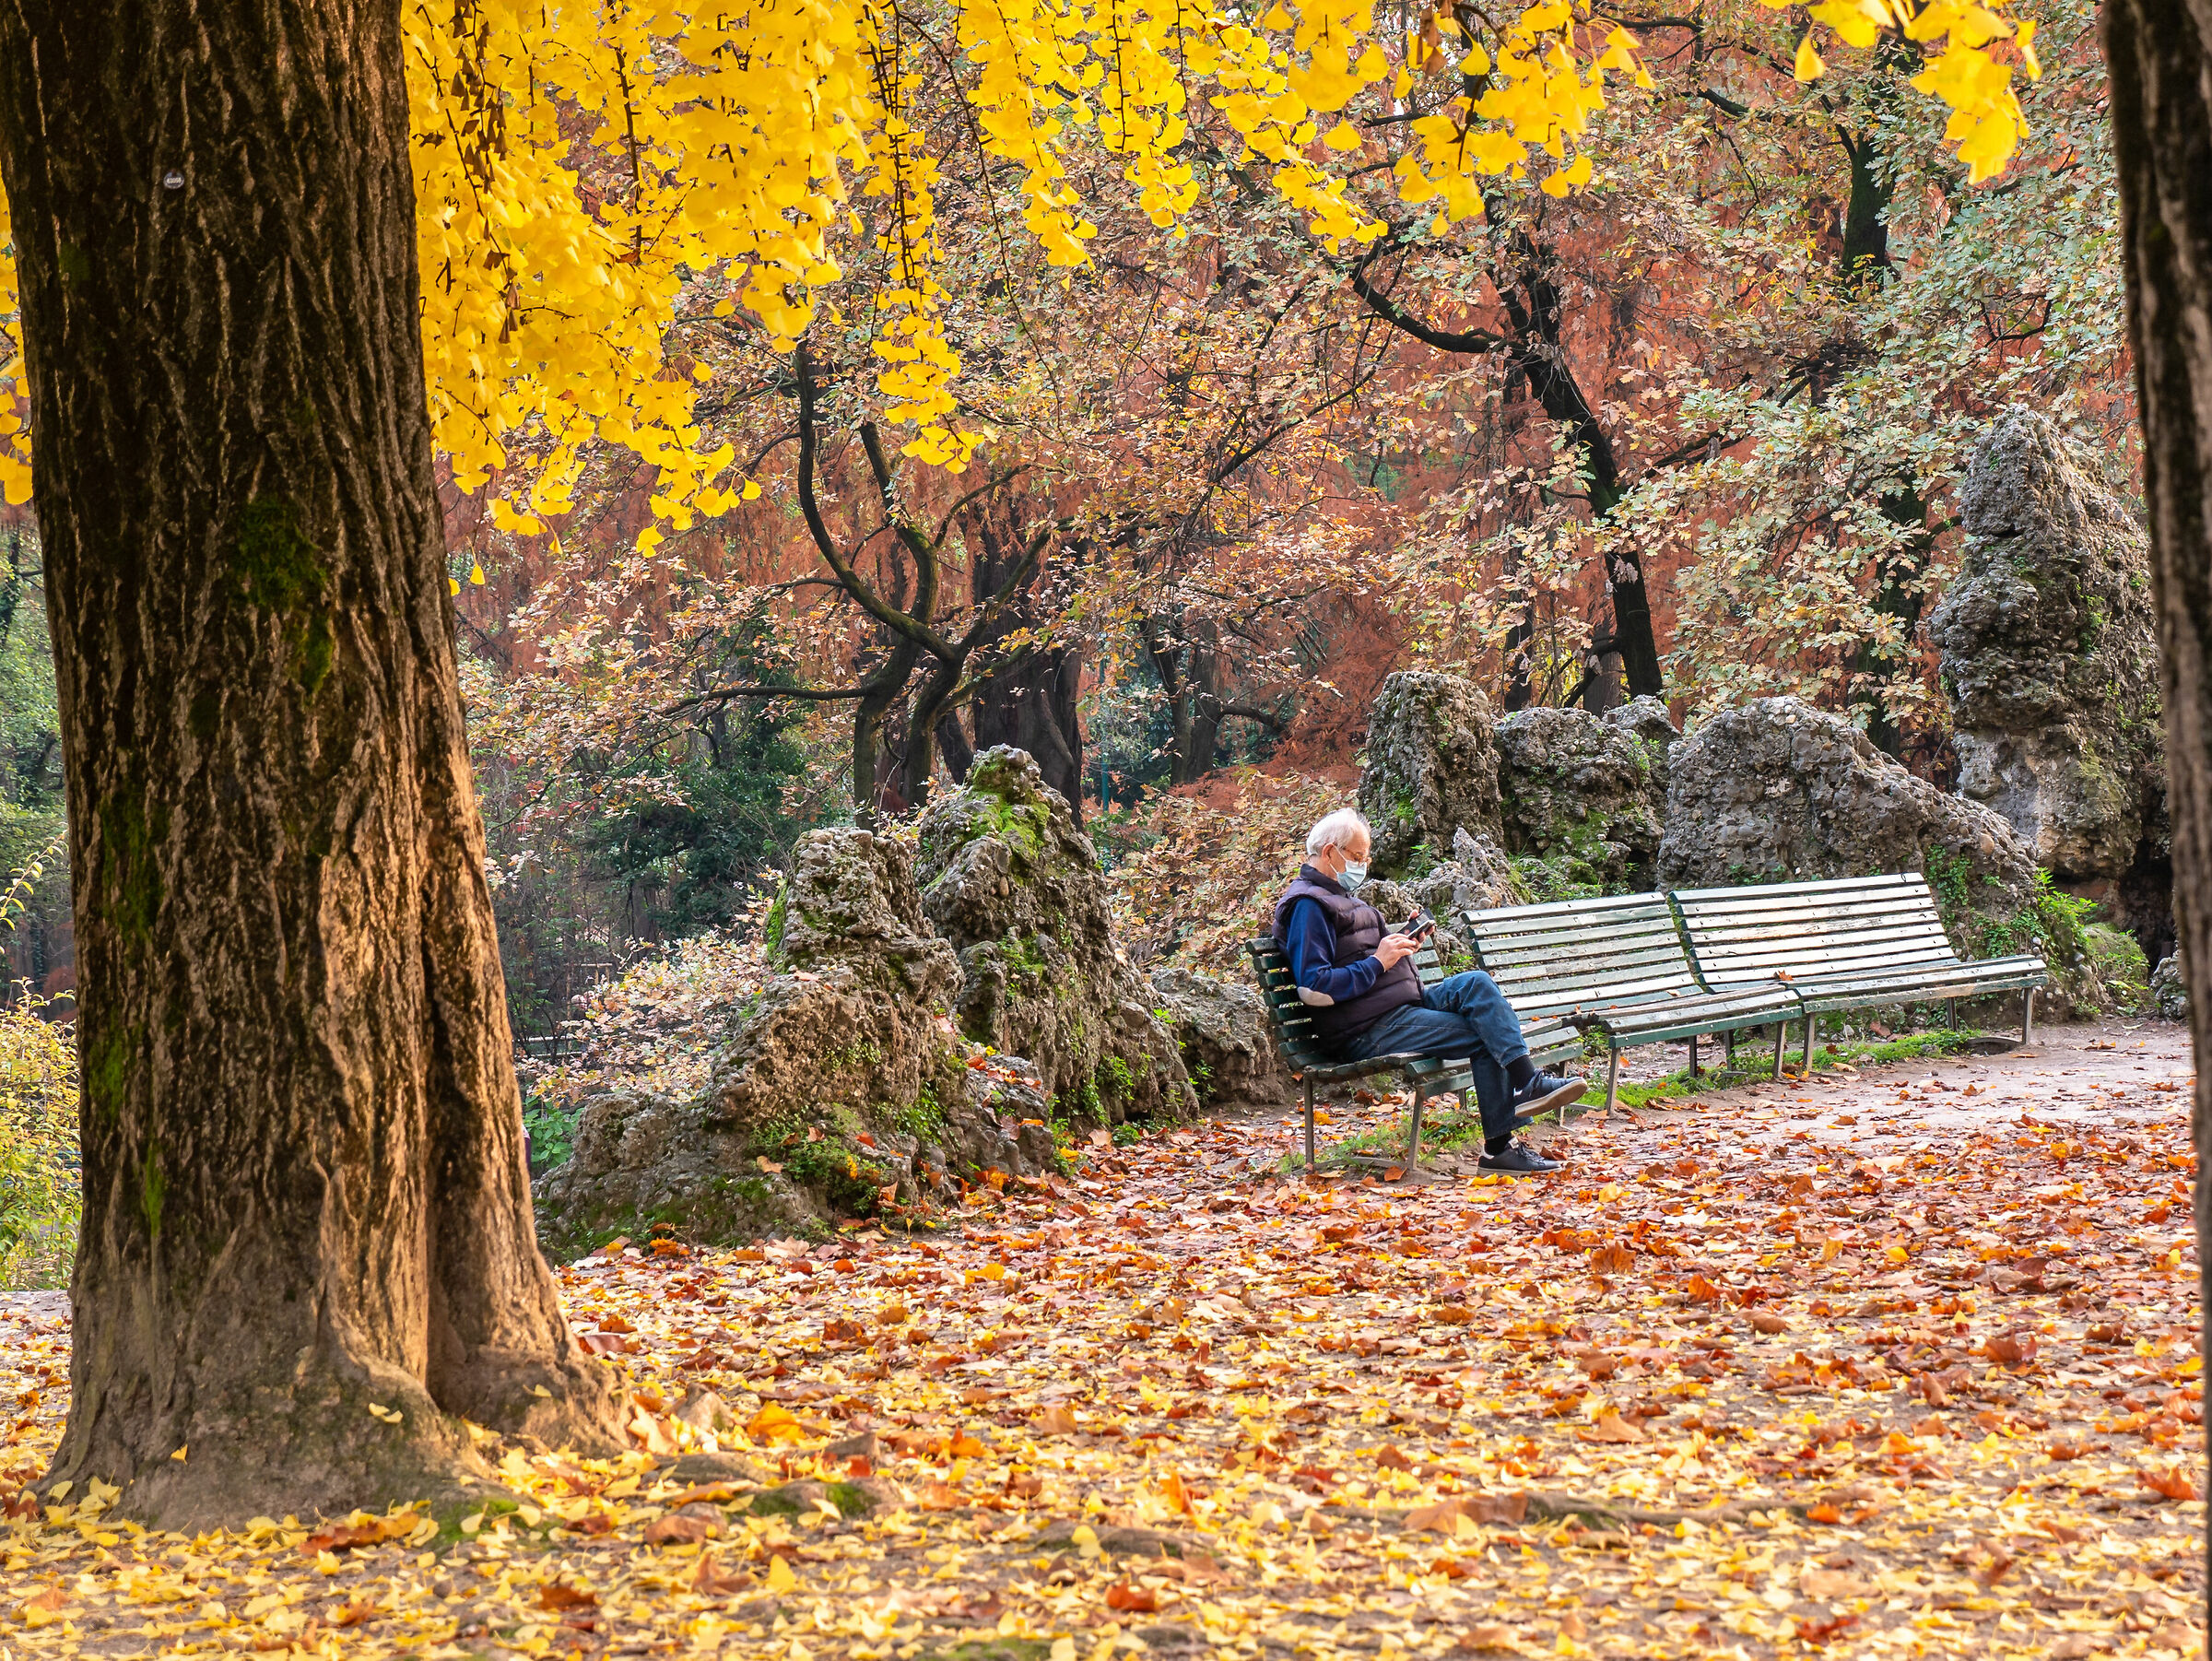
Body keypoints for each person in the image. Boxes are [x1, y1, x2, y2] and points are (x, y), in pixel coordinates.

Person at [1272, 807, 1579, 1174]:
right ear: (1328, 852)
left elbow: (1356, 953)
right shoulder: (1308, 905)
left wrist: (1400, 944)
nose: (1361, 866)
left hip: (1399, 1004)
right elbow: (1314, 988)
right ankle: (1501, 1144)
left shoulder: (1339, 895)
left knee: (1476, 984)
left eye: (1364, 859)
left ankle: (1527, 1083)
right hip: (1366, 1027)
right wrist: (1378, 962)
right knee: (1485, 1036)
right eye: (1355, 857)